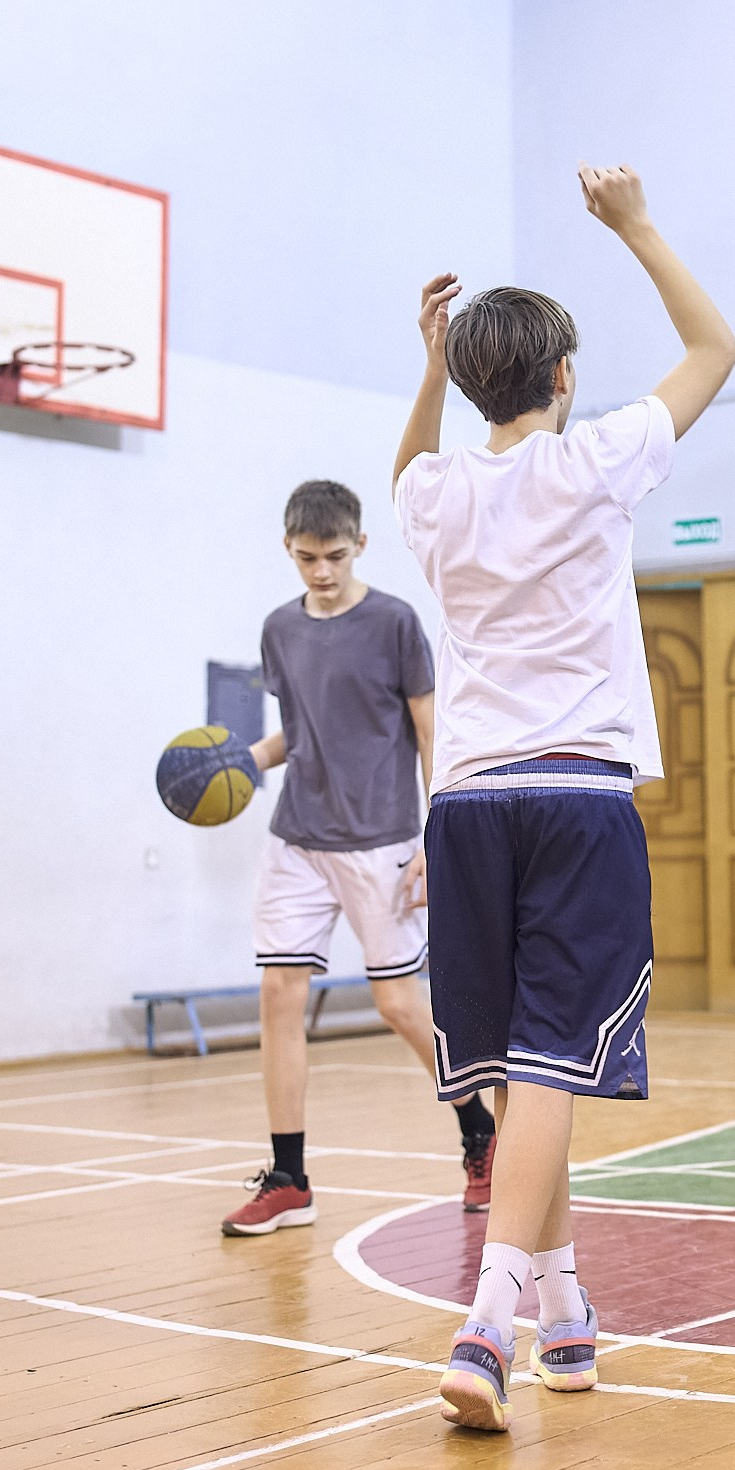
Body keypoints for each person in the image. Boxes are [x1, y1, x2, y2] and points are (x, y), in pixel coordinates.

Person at [392, 163, 735, 1430]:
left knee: (528, 1071)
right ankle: (486, 1321)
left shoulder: (430, 497)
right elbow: (715, 345)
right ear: (562, 378)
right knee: (549, 1069)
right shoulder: (598, 462)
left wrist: (428, 360)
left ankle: (567, 1305)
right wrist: (637, 222)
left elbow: (409, 456)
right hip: (576, 796)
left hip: (470, 804)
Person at [218, 479, 499, 1236]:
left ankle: (479, 1130)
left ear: (360, 545)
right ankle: (289, 1176)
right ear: (289, 548)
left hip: (382, 837)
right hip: (298, 836)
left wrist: (438, 838)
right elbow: (299, 734)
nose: (321, 570)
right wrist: (243, 761)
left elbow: (430, 732)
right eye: (307, 557)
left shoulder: (396, 623)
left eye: (334, 555)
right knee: (279, 992)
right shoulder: (279, 629)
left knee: (399, 1004)